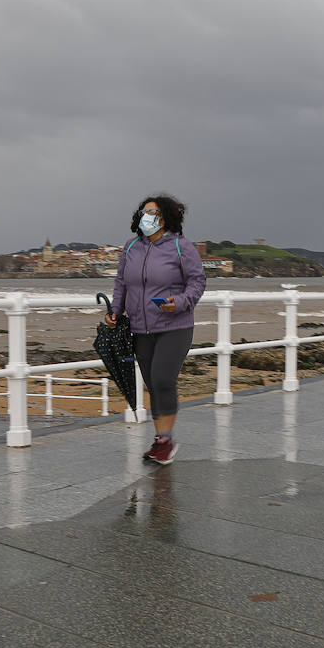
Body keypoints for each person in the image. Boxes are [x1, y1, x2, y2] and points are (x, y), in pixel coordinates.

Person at [106, 195, 206, 465]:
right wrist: (115, 310)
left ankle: (166, 439)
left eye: (153, 213)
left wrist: (181, 302)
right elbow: (121, 284)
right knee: (153, 384)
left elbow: (197, 282)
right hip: (140, 329)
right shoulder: (130, 248)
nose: (147, 216)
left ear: (166, 218)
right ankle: (161, 440)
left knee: (163, 379)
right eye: (144, 211)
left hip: (175, 326)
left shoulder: (180, 246)